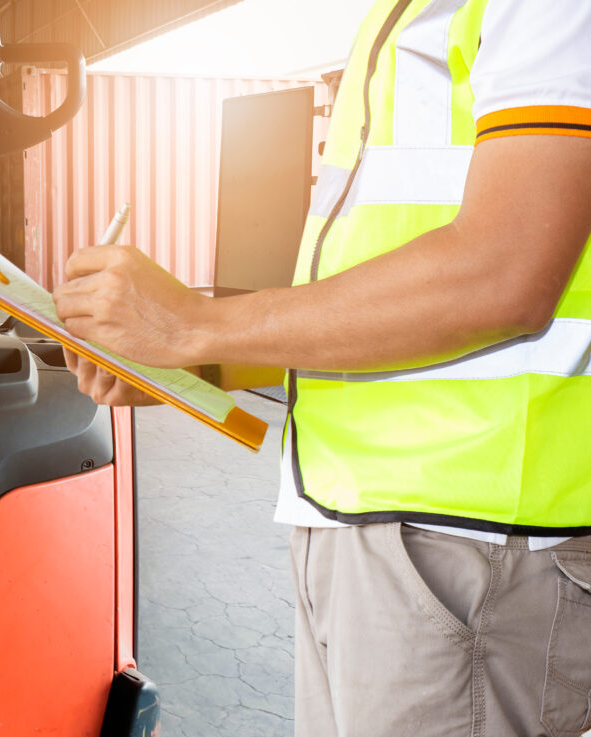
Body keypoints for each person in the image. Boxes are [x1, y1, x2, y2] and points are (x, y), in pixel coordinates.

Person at [51, 1, 591, 735]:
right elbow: (365, 295)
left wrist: (192, 321)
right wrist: (183, 358)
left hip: (475, 539)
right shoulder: (399, 16)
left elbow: (507, 271)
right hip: (360, 520)